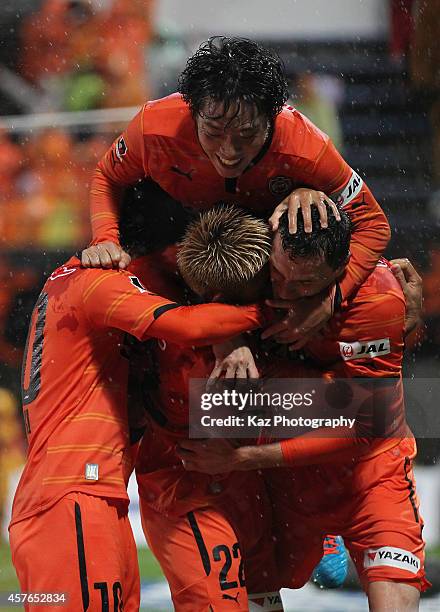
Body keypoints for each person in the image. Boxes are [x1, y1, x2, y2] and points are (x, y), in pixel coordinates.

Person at [176, 205, 429, 611]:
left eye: (306, 282)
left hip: (369, 468)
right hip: (283, 477)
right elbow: (201, 298)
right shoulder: (261, 261)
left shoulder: (378, 297)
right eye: (278, 276)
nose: (286, 291)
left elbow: (366, 427)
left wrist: (243, 456)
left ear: (342, 270)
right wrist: (227, 339)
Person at [82, 35, 390, 347]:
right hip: (177, 229)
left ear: (273, 117)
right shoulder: (153, 127)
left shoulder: (306, 146)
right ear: (192, 111)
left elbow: (374, 224)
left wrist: (331, 298)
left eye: (247, 134)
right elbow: (108, 175)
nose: (229, 151)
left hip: (257, 247)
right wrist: (105, 238)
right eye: (213, 132)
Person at [8, 243, 269, 611]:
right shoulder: (96, 282)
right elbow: (187, 325)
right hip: (72, 493)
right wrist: (280, 309)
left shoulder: (89, 284)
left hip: (93, 492)